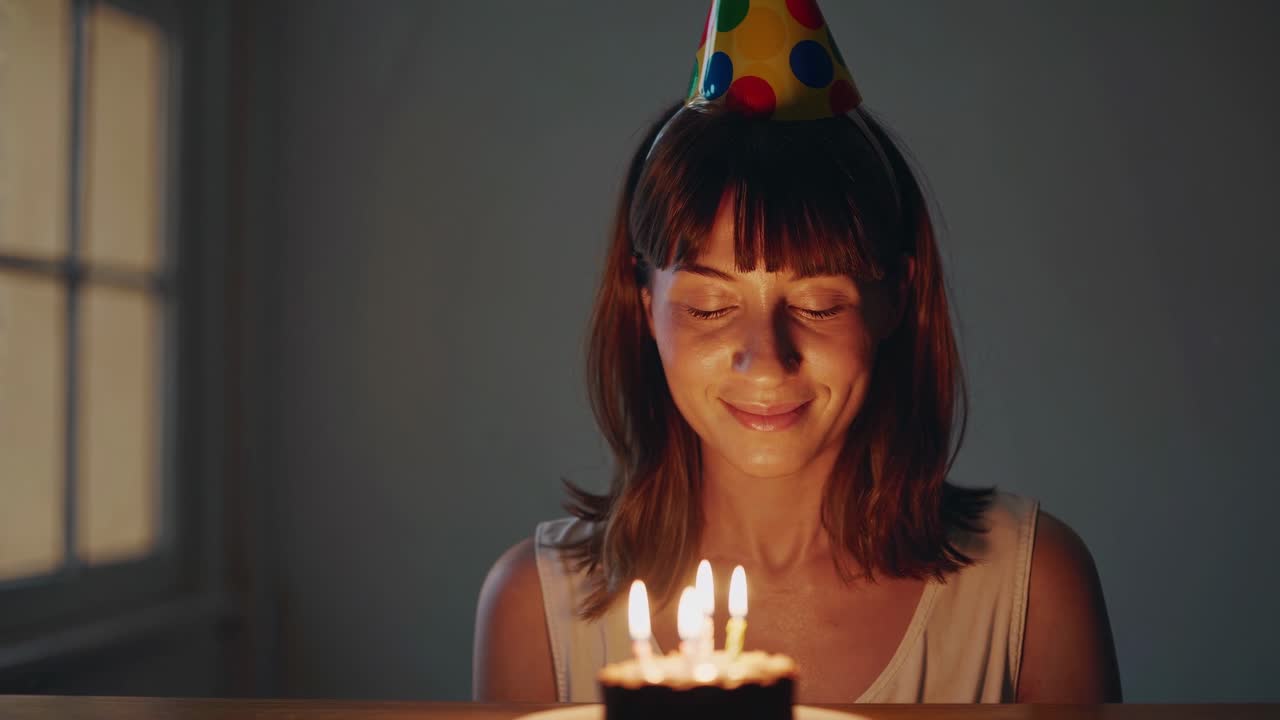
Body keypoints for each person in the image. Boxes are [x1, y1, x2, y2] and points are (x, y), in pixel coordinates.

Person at [474, 0, 1121, 704]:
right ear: (644, 306)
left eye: (819, 304)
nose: (766, 358)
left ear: (895, 299)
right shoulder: (535, 611)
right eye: (710, 306)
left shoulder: (1034, 591)